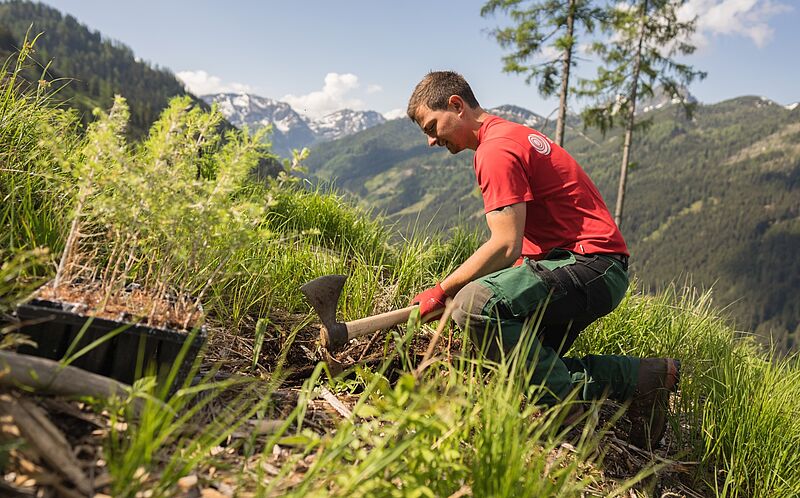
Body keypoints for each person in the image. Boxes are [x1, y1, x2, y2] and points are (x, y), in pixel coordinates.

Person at [407, 70, 680, 448]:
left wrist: (443, 291)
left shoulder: (495, 150)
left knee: (472, 306)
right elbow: (526, 247)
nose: (431, 140)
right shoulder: (509, 135)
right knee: (517, 366)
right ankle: (641, 377)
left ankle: (569, 413)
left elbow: (505, 245)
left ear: (457, 105)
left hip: (590, 265)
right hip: (594, 267)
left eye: (432, 126)